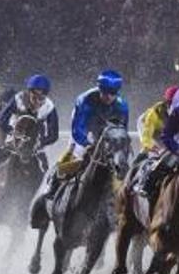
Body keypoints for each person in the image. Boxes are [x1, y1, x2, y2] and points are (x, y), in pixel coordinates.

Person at [34, 70, 129, 209]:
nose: (108, 96)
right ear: (99, 88)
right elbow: (77, 129)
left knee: (119, 163)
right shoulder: (86, 100)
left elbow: (122, 131)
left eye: (112, 93)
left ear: (117, 91)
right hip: (85, 131)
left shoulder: (122, 105)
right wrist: (87, 144)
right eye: (104, 91)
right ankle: (52, 186)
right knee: (76, 155)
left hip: (107, 135)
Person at [0, 74, 58, 204]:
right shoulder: (18, 99)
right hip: (14, 143)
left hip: (36, 147)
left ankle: (43, 204)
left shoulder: (49, 107)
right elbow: (1, 120)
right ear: (29, 91)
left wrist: (41, 143)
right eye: (35, 94)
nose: (38, 99)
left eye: (42, 95)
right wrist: (13, 133)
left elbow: (54, 134)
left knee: (48, 174)